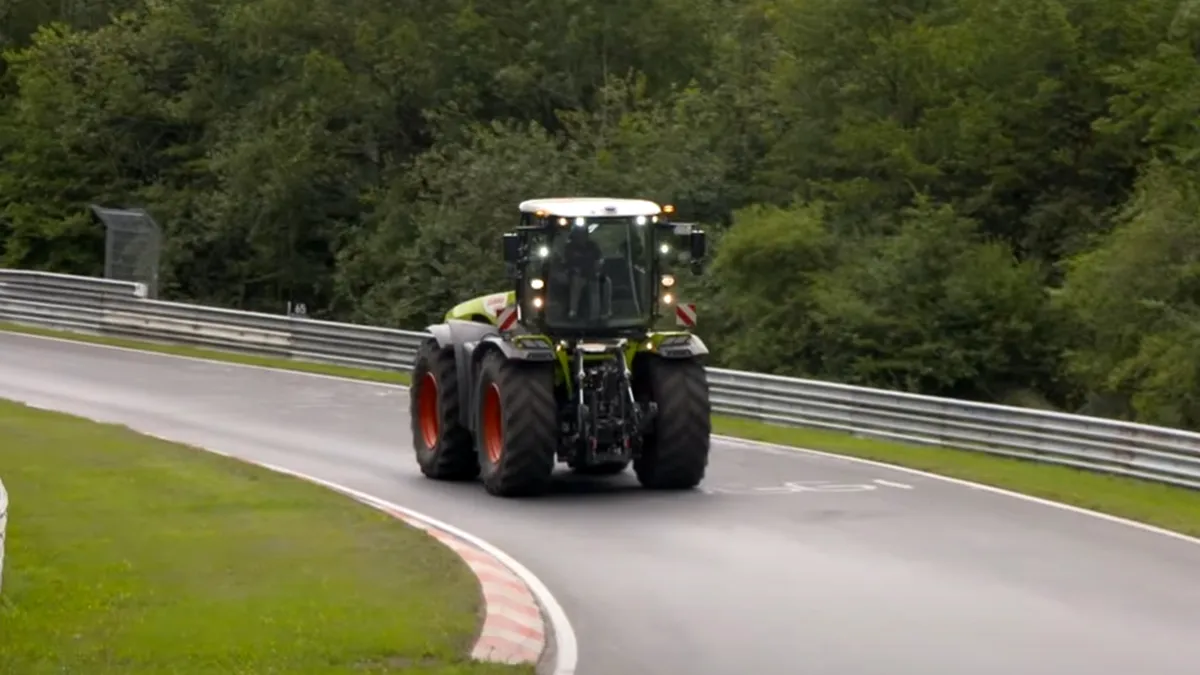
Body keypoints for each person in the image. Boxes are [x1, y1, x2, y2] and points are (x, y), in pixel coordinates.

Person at [561, 225, 610, 320]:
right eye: (579, 234)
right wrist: (574, 270)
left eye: (584, 234)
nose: (582, 237)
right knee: (576, 282)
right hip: (576, 276)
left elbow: (600, 258)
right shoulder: (570, 247)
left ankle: (604, 312)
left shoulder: (593, 246)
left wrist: (599, 265)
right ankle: (573, 311)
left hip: (593, 274)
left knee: (607, 282)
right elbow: (566, 263)